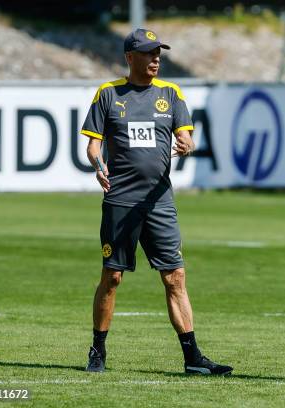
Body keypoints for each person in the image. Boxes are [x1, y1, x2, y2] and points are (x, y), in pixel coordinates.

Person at [80, 28, 232, 375]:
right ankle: (98, 350)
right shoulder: (108, 93)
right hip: (120, 200)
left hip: (159, 200)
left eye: (158, 53)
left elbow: (187, 137)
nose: (156, 59)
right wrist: (97, 164)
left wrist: (186, 144)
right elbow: (92, 145)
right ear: (130, 58)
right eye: (148, 54)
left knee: (175, 276)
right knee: (113, 276)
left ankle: (193, 358)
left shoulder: (171, 92)